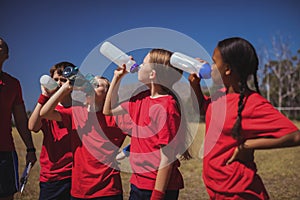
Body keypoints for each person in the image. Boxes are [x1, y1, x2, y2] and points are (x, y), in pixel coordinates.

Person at [188, 37, 300, 199]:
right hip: (216, 188)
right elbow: (200, 109)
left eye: (214, 62)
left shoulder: (252, 103)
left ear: (227, 69)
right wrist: (195, 85)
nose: (210, 67)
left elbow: (295, 136)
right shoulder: (219, 96)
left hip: (239, 192)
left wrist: (247, 146)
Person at [103, 48, 191, 200]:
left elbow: (167, 157)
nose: (138, 65)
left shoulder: (166, 106)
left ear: (152, 74)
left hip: (157, 188)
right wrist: (117, 77)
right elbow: (108, 110)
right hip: (139, 182)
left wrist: (158, 195)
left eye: (143, 63)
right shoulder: (141, 98)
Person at [40, 74, 132, 200]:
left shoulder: (118, 117)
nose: (91, 87)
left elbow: (144, 138)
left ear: (108, 93)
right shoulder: (76, 112)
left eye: (97, 85)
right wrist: (65, 88)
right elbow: (45, 113)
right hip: (80, 190)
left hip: (108, 190)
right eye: (90, 83)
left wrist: (124, 153)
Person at [28, 62, 78, 200]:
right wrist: (44, 95)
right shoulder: (46, 107)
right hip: (52, 173)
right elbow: (33, 126)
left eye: (63, 80)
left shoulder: (79, 108)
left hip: (74, 172)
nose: (59, 83)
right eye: (55, 80)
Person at [0, 37, 37, 200]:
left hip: (5, 152)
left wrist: (30, 148)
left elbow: (21, 120)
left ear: (6, 55)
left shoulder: (13, 84)